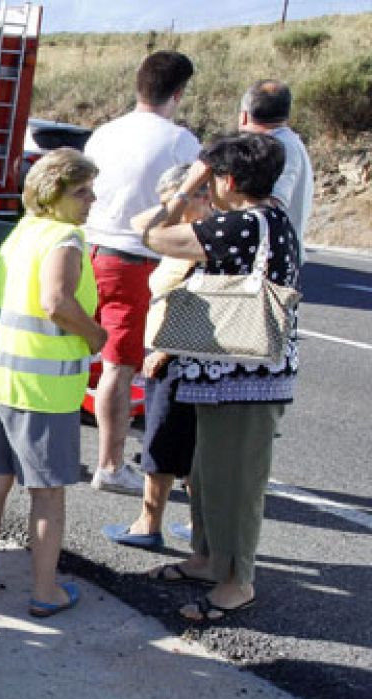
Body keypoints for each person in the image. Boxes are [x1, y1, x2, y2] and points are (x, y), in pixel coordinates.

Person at [137, 132, 300, 623]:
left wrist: (187, 186)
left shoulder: (243, 225)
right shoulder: (270, 217)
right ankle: (208, 559)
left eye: (213, 178)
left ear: (227, 180)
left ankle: (237, 582)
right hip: (226, 371)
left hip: (243, 376)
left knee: (236, 484)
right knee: (209, 474)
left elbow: (150, 233)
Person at [0, 149, 108, 617]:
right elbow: (56, 302)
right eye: (81, 192)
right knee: (47, 493)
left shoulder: (21, 232)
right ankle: (46, 591)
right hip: (41, 387)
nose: (91, 200)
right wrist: (96, 335)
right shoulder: (65, 238)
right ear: (53, 195)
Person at [82, 51, 200, 496]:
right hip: (137, 258)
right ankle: (111, 465)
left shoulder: (104, 133)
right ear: (179, 93)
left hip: (92, 248)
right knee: (121, 364)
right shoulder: (180, 142)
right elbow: (192, 200)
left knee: (91, 354)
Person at [103, 164, 211, 551]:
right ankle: (199, 524)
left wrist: (164, 349)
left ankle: (148, 524)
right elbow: (139, 224)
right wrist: (179, 198)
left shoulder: (204, 239)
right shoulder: (181, 235)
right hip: (174, 349)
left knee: (163, 440)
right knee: (187, 443)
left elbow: (204, 302)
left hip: (177, 352)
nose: (168, 210)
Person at [238, 79, 313, 249]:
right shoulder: (283, 143)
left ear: (244, 116)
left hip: (270, 254)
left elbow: (272, 203)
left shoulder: (282, 147)